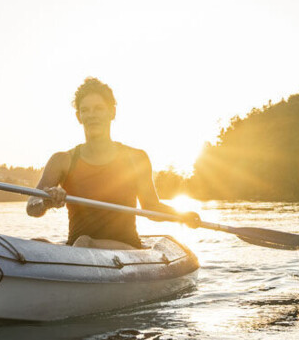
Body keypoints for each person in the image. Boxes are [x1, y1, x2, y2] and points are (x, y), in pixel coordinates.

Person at [28, 77, 200, 249]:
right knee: (35, 244)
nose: (92, 115)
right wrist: (45, 202)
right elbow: (31, 206)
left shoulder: (136, 158)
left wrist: (182, 215)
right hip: (76, 250)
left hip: (125, 248)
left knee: (84, 242)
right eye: (85, 110)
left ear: (112, 112)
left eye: (99, 108)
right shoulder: (62, 160)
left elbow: (151, 207)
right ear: (78, 116)